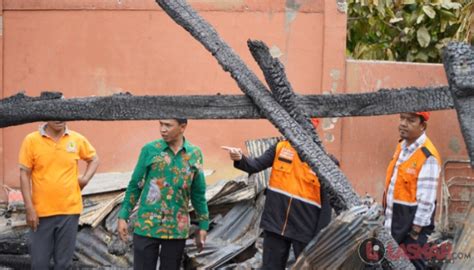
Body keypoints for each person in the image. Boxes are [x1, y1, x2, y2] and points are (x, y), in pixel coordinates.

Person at [222, 119, 334, 270]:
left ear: (312, 130)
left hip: (305, 228)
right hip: (276, 222)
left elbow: (326, 206)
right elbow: (255, 166)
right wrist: (240, 158)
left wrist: (320, 236)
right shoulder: (280, 147)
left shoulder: (325, 161)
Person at [118, 119, 209, 270]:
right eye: (161, 124)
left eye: (168, 125)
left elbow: (198, 194)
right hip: (147, 225)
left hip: (176, 230)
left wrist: (203, 226)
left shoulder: (194, 154)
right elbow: (135, 185)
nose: (163, 129)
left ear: (182, 127)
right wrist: (123, 216)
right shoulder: (150, 150)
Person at [19, 121, 99, 269]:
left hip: (69, 211)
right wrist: (29, 208)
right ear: (46, 115)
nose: (59, 119)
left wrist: (85, 179)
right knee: (39, 264)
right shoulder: (31, 140)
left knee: (64, 264)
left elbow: (93, 159)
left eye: (63, 115)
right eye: (54, 114)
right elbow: (24, 174)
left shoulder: (76, 139)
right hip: (40, 214)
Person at [383, 112, 441, 269]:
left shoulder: (427, 156)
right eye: (402, 118)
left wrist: (414, 233)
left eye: (411, 120)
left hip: (411, 232)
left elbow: (427, 201)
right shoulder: (401, 147)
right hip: (394, 225)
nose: (403, 123)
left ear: (423, 126)